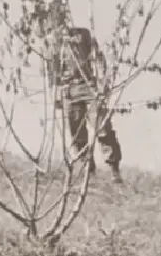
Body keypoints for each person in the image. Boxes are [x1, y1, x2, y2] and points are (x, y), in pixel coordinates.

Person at [52, 24, 123, 182]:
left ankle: (114, 170)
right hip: (69, 89)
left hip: (88, 86)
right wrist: (57, 94)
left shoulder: (83, 34)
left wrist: (102, 82)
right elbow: (53, 71)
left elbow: (98, 58)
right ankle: (87, 171)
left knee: (102, 127)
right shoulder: (54, 41)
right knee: (77, 132)